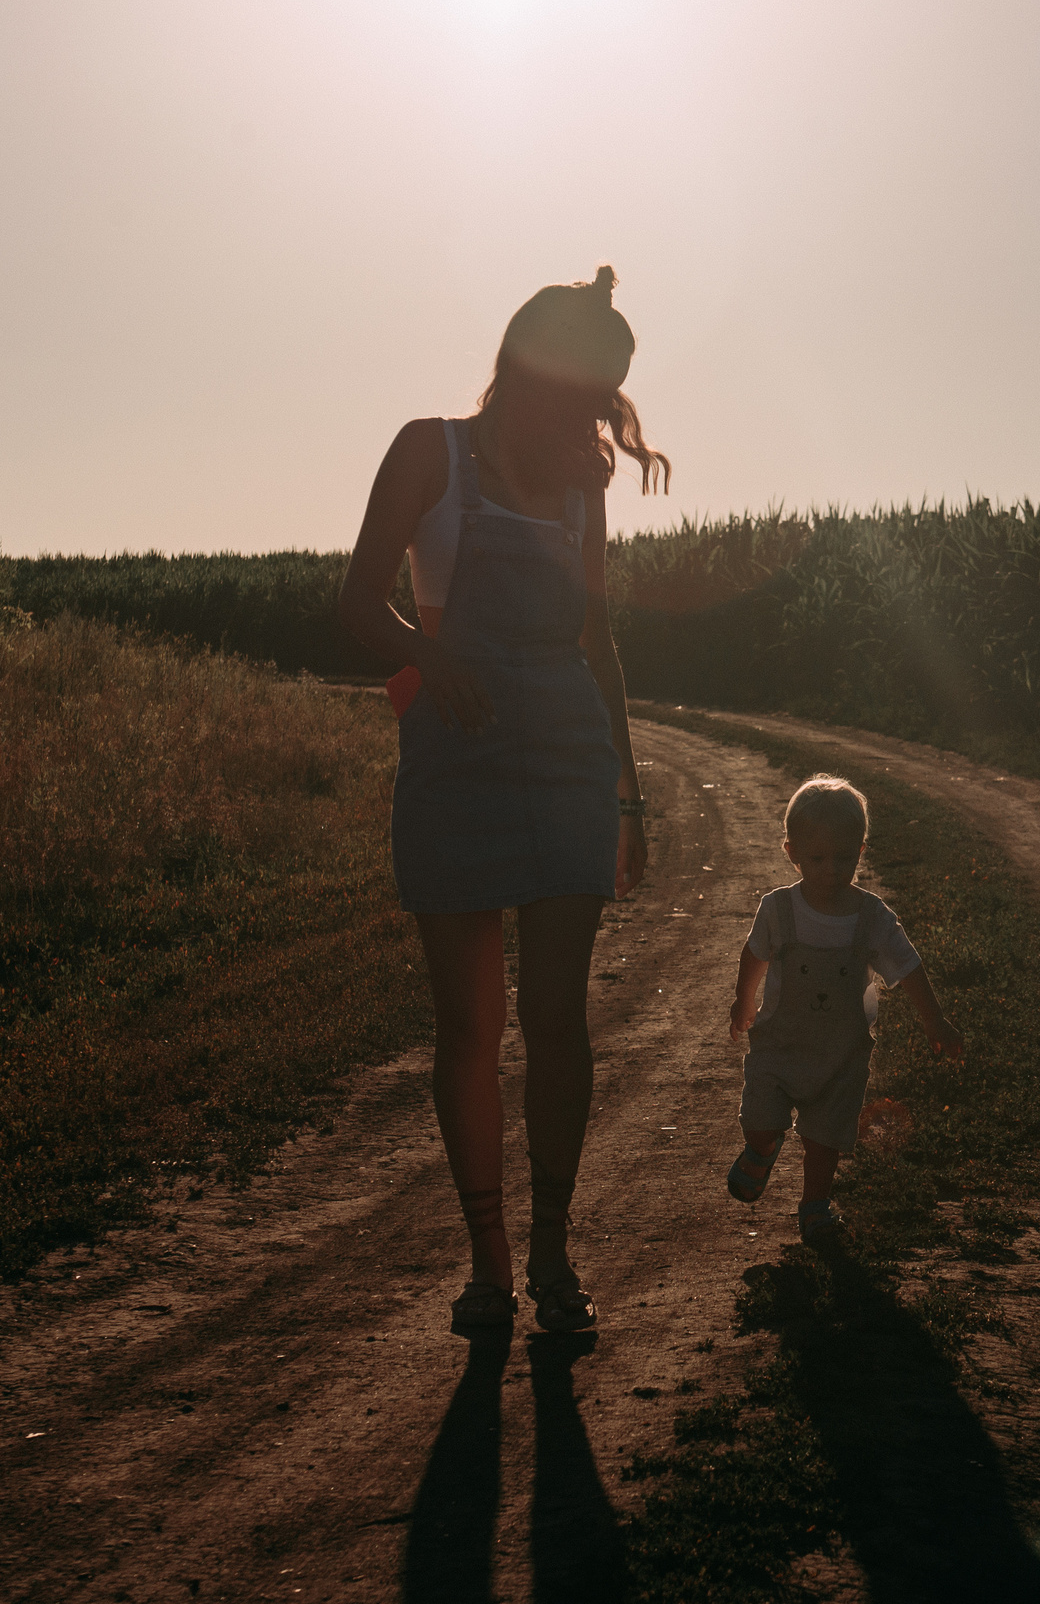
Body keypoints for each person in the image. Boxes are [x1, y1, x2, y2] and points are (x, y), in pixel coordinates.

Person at [337, 266, 668, 1334]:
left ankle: (554, 1254)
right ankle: (488, 1262)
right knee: (469, 1027)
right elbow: (355, 602)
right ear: (522, 367)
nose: (584, 417)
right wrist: (429, 655)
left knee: (558, 1019)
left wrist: (629, 796)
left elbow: (597, 639)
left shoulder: (583, 483)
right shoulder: (427, 450)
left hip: (568, 752)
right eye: (571, 391)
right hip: (456, 749)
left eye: (595, 398)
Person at [726, 775, 963, 1241]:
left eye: (845, 857)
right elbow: (754, 953)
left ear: (861, 848)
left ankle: (815, 1205)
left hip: (841, 1055)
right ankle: (762, 1146)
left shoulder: (872, 917)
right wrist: (743, 999)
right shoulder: (778, 909)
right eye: (816, 858)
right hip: (780, 1043)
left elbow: (908, 966)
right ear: (791, 852)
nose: (832, 869)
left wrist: (934, 1019)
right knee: (759, 1116)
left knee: (824, 1137)